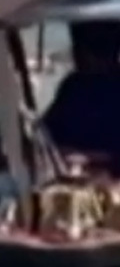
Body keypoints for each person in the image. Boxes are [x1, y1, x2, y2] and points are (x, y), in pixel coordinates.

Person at [41, 20, 120, 174]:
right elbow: (48, 133)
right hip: (73, 176)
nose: (78, 56)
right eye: (77, 47)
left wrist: (89, 157)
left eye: (86, 50)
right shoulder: (73, 85)